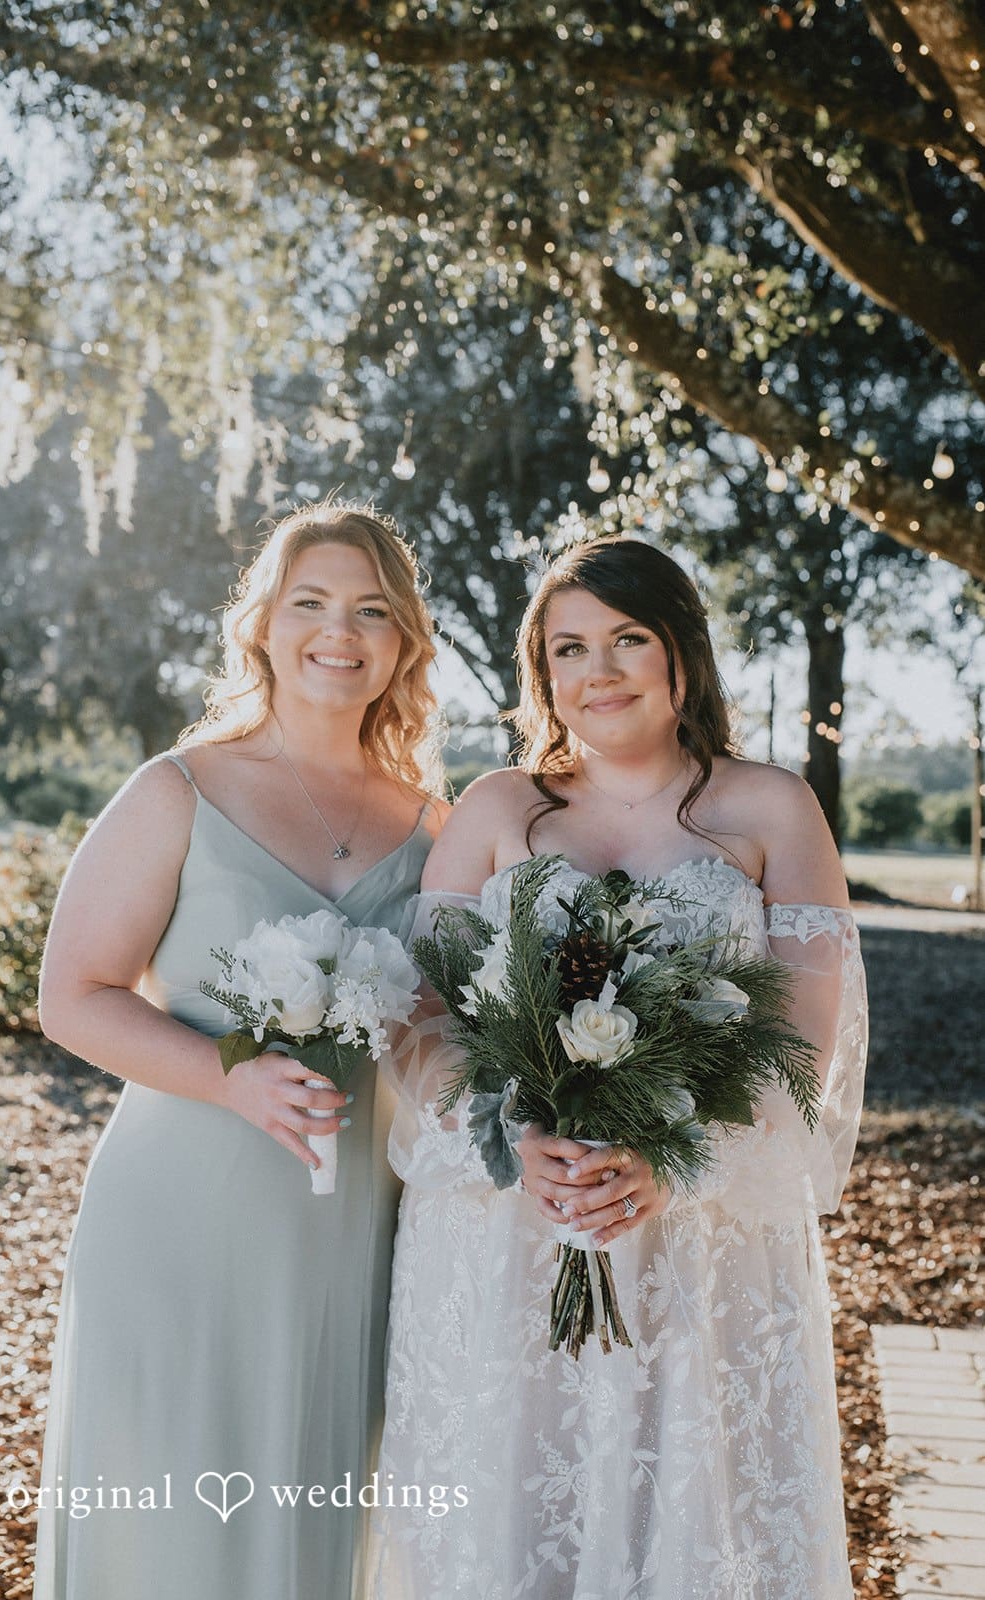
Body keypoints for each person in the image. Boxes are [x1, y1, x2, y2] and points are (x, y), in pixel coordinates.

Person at [370, 537, 867, 1599]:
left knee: (688, 1518)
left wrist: (670, 1164)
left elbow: (799, 1045)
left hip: (700, 1234)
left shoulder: (772, 808)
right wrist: (511, 1134)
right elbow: (423, 1015)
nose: (596, 671)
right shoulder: (499, 806)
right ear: (539, 672)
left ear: (679, 651)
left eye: (626, 639)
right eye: (567, 648)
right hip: (509, 1224)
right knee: (513, 1513)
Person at [32, 500, 446, 1600]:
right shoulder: (177, 788)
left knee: (308, 1495)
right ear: (261, 624)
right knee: (165, 1504)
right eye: (308, 602)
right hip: (181, 1208)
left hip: (345, 1216)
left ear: (402, 641)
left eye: (370, 610)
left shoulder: (433, 827)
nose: (338, 632)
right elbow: (71, 995)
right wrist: (232, 1073)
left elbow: (445, 1030)